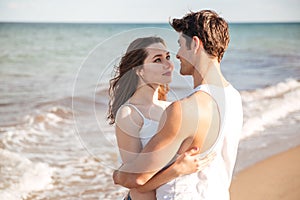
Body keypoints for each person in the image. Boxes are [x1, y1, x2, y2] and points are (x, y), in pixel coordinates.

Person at [113, 10, 243, 200]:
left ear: (196, 44)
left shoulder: (183, 109)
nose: (177, 56)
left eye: (180, 45)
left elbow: (136, 178)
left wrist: (117, 175)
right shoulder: (234, 97)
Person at [108, 36, 215, 200]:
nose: (169, 65)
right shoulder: (130, 114)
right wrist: (176, 171)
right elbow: (134, 184)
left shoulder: (170, 108)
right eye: (158, 60)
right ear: (139, 70)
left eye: (168, 57)